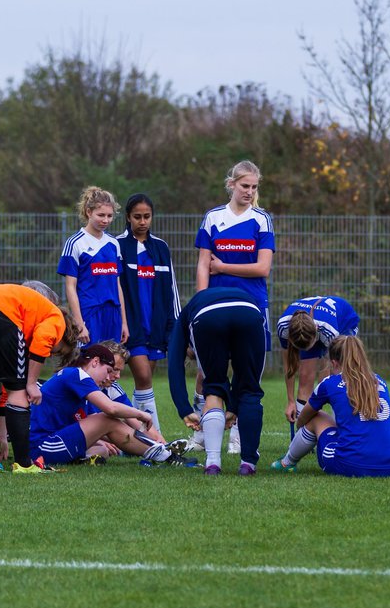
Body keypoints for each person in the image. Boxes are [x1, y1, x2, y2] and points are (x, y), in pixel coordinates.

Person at [0, 281, 78, 474]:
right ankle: (24, 464)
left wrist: (0, 435)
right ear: (65, 335)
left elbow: (3, 392)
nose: (51, 353)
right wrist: (31, 384)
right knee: (18, 393)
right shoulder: (57, 319)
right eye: (58, 350)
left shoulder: (33, 316)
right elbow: (43, 340)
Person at [194, 160, 274, 451]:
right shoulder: (213, 217)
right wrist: (200, 302)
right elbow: (204, 264)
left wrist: (224, 266)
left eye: (254, 187)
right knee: (206, 371)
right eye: (244, 186)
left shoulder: (262, 219)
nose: (250, 192)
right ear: (231, 185)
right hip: (215, 304)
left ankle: (238, 432)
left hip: (252, 305)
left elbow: (263, 268)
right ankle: (203, 432)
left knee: (246, 372)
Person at [30, 343, 193, 467]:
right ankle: (163, 455)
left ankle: (161, 451)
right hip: (43, 448)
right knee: (106, 419)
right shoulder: (76, 374)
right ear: (95, 362)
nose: (111, 376)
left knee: (102, 449)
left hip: (47, 444)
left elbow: (97, 425)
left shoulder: (77, 381)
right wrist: (141, 414)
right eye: (109, 370)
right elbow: (111, 409)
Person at [167, 286, 267, 475]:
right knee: (250, 388)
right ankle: (248, 464)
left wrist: (185, 409)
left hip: (207, 315)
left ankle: (213, 463)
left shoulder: (184, 318)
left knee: (213, 386)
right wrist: (234, 407)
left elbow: (174, 363)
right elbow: (241, 373)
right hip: (248, 311)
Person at [271, 336, 390, 477]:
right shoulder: (379, 381)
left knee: (316, 416)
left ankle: (287, 462)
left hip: (350, 464)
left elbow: (303, 418)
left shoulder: (330, 383)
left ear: (334, 363)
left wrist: (302, 426)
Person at [115, 193, 180, 433]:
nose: (142, 222)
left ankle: (133, 434)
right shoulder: (117, 246)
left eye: (147, 216)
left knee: (144, 385)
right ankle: (156, 437)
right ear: (128, 218)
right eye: (137, 217)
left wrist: (175, 326)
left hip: (157, 326)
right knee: (143, 378)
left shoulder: (160, 247)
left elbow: (171, 289)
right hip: (131, 325)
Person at [275, 295, 360, 430]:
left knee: (339, 379)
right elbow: (289, 366)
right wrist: (290, 401)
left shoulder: (330, 332)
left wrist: (317, 403)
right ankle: (303, 434)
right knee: (305, 375)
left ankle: (340, 429)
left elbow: (327, 374)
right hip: (309, 321)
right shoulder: (284, 326)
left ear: (315, 335)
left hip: (344, 320)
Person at [58, 186, 127, 347]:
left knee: (110, 364)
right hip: (89, 312)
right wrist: (79, 322)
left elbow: (117, 285)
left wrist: (124, 322)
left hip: (112, 314)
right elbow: (70, 286)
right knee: (88, 363)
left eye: (110, 216)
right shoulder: (75, 243)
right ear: (89, 212)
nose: (106, 220)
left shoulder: (113, 243)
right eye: (101, 215)